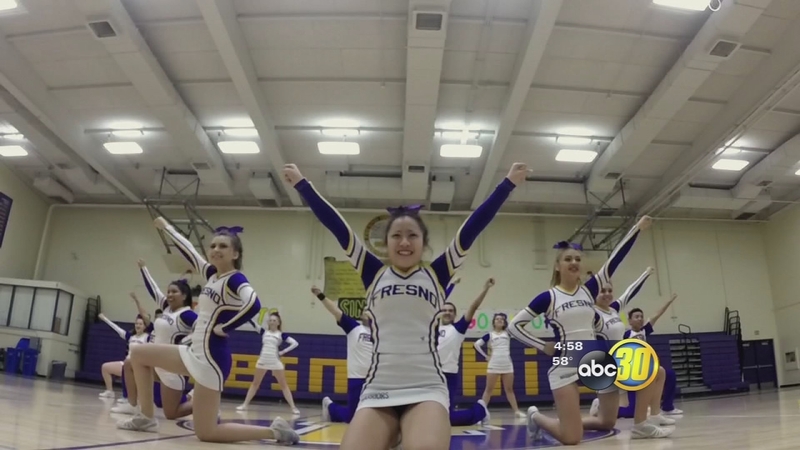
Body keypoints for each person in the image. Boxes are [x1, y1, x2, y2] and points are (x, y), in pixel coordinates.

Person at [284, 162, 527, 450]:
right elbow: (338, 227)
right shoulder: (372, 272)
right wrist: (302, 185)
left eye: (412, 235)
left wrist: (507, 184)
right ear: (385, 243)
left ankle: (405, 433)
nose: (404, 242)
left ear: (423, 242)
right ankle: (393, 432)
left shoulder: (438, 273)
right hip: (377, 389)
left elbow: (472, 227)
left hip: (427, 388)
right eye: (396, 235)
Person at [116, 220, 298, 445]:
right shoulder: (212, 275)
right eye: (212, 246)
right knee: (138, 353)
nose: (215, 250)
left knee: (207, 433)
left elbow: (254, 304)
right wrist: (167, 229)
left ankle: (274, 432)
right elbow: (190, 252)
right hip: (193, 351)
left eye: (222, 246)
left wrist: (224, 327)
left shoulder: (235, 278)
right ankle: (146, 417)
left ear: (235, 253)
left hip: (212, 359)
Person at [507, 217, 667, 444]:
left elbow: (614, 262)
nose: (574, 262)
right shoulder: (548, 297)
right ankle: (536, 417)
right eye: (567, 259)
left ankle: (572, 421)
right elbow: (514, 327)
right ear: (557, 266)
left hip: (594, 361)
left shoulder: (588, 291)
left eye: (577, 259)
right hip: (566, 362)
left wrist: (636, 230)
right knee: (571, 439)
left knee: (607, 422)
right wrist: (542, 345)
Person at [586, 267, 675, 434]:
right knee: (649, 370)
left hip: (618, 363)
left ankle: (654, 414)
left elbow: (630, 292)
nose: (606, 293)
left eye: (609, 290)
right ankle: (640, 425)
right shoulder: (591, 313)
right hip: (603, 366)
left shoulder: (612, 309)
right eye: (601, 291)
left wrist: (645, 274)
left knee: (606, 422)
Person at [112, 260, 197, 419]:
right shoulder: (166, 308)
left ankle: (204, 401)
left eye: (174, 292)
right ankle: (132, 405)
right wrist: (143, 269)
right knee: (131, 362)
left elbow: (203, 330)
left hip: (173, 367)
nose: (169, 295)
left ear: (184, 296)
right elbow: (153, 290)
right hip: (157, 363)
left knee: (171, 413)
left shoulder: (187, 314)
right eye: (169, 291)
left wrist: (186, 344)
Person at [312, 286, 373, 423]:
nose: (365, 312)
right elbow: (335, 310)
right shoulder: (354, 327)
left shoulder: (381, 333)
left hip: (375, 379)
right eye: (364, 310)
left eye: (368, 310)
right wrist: (321, 296)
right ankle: (330, 406)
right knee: (352, 418)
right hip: (357, 378)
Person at [439, 278, 494, 426]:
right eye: (444, 310)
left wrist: (485, 288)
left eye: (450, 311)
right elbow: (435, 297)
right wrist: (450, 286)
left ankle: (480, 410)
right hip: (430, 374)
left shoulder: (458, 328)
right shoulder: (431, 328)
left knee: (446, 419)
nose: (447, 313)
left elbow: (473, 306)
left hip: (448, 374)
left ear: (455, 314)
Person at [618, 295, 682, 419]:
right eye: (636, 317)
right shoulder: (625, 334)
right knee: (632, 412)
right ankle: (602, 408)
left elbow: (657, 314)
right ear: (630, 321)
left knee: (670, 374)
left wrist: (668, 301)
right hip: (632, 373)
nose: (640, 319)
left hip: (647, 369)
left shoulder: (644, 331)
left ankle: (667, 407)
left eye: (641, 316)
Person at [237, 312, 300, 414]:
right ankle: (244, 405)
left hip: (275, 360)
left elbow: (295, 343)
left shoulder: (281, 335)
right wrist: (246, 313)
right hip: (263, 360)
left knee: (283, 385)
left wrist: (283, 352)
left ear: (278, 322)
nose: (272, 322)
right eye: (270, 320)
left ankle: (293, 407)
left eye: (274, 320)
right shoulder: (263, 332)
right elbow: (253, 323)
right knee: (255, 383)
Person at [475, 313, 524, 418]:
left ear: (504, 322)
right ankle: (480, 413)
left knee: (509, 389)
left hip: (507, 364)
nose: (499, 320)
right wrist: (485, 356)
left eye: (501, 319)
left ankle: (516, 411)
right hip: (494, 364)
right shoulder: (489, 335)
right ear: (493, 322)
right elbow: (476, 344)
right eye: (497, 319)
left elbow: (519, 329)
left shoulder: (508, 334)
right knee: (489, 389)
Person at [97, 312, 150, 399]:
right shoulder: (130, 336)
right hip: (127, 364)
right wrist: (104, 319)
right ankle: (109, 391)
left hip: (139, 367)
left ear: (145, 326)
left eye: (140, 324)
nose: (138, 325)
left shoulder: (147, 337)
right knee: (105, 367)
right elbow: (116, 328)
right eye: (136, 323)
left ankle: (129, 397)